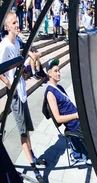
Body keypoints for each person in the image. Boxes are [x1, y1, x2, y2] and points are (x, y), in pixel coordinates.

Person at [0, 12, 47, 182]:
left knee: (26, 129)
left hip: (22, 90)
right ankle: (33, 167)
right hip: (15, 94)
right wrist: (8, 84)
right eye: (13, 23)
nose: (16, 25)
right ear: (6, 27)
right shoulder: (4, 46)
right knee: (22, 131)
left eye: (17, 22)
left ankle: (33, 157)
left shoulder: (16, 43)